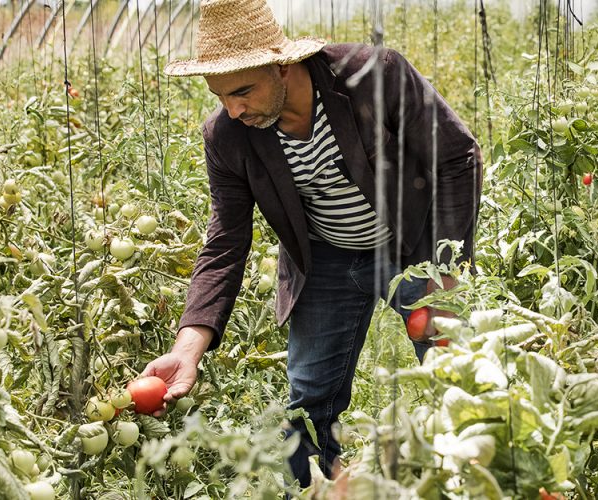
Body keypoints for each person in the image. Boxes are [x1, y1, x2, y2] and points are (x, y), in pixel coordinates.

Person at [139, 0, 481, 487]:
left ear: (283, 65)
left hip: (412, 249)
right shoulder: (228, 135)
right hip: (324, 260)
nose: (234, 110)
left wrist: (445, 271)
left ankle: (479, 479)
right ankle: (312, 492)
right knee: (307, 403)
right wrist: (188, 349)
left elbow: (457, 156)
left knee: (458, 372)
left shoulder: (373, 77)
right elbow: (225, 241)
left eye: (242, 91)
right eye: (220, 97)